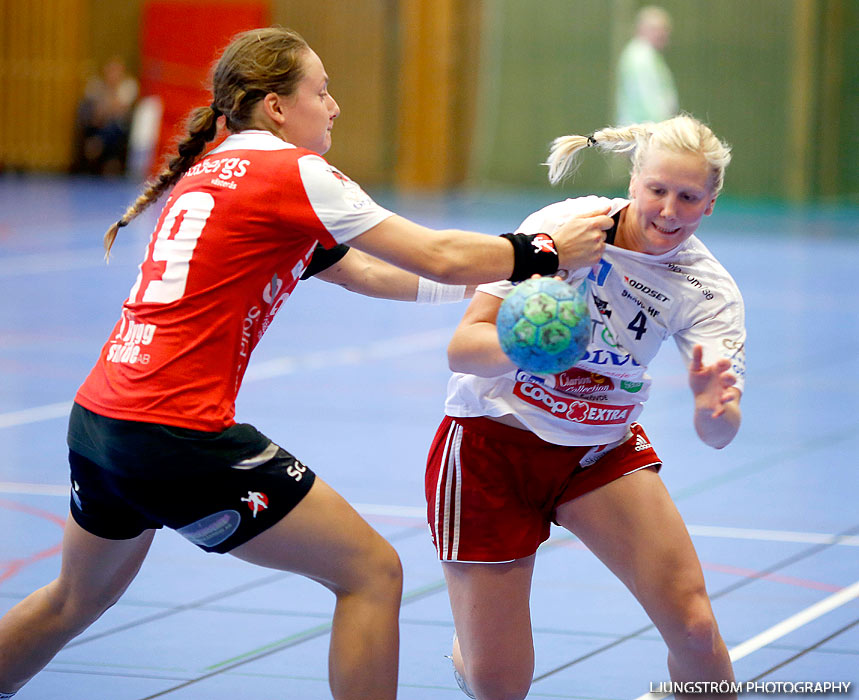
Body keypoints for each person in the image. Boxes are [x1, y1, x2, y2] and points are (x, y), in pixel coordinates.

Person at [0, 27, 614, 700]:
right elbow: (435, 252)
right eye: (320, 92)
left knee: (70, 602)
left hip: (100, 423)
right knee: (371, 574)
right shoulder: (290, 171)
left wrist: (495, 284)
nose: (334, 106)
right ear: (275, 107)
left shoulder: (210, 172)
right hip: (176, 433)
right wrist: (545, 251)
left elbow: (368, 274)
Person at [426, 114, 745, 700]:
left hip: (596, 450)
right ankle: (471, 646)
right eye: (657, 190)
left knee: (696, 628)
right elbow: (462, 349)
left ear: (710, 205)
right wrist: (531, 349)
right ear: (633, 183)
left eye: (689, 196)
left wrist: (709, 408)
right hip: (490, 446)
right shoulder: (565, 229)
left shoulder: (707, 289)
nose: (670, 210)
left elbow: (721, 433)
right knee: (500, 686)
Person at [71, 56, 140, 175]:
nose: (112, 75)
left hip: (120, 125)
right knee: (96, 122)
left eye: (116, 71)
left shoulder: (129, 86)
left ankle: (97, 144)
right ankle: (98, 147)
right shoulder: (96, 85)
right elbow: (96, 111)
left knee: (114, 126)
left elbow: (120, 109)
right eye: (110, 71)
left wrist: (110, 98)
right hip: (99, 123)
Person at [615, 6, 678, 126]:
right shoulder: (640, 57)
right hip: (642, 131)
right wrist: (662, 128)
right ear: (641, 29)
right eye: (655, 29)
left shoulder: (648, 55)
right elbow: (646, 97)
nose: (661, 34)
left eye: (664, 29)